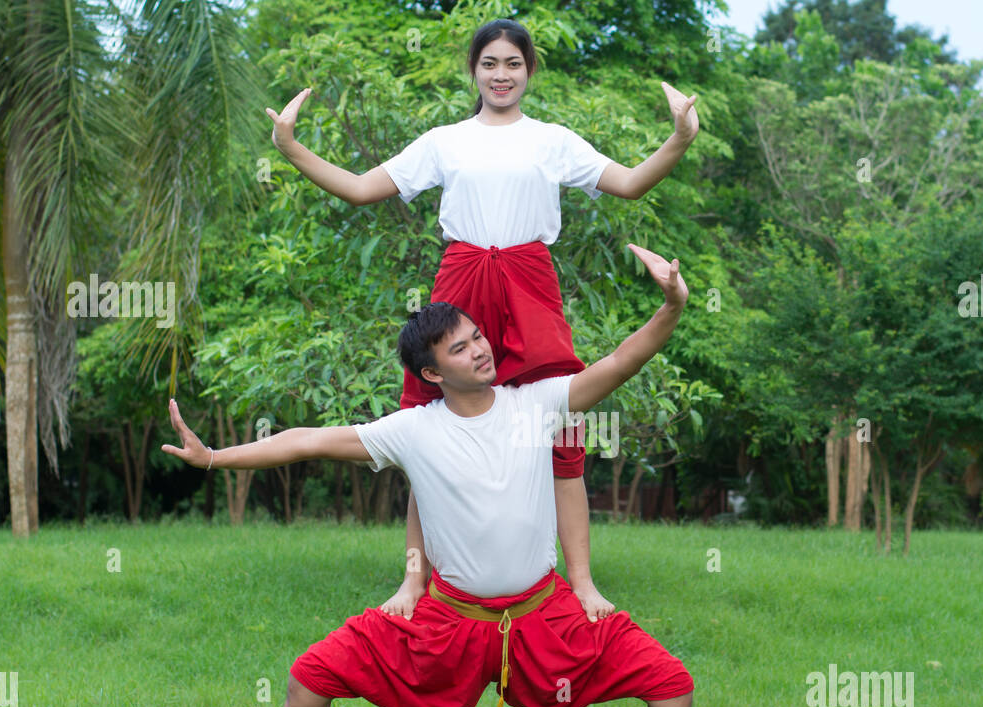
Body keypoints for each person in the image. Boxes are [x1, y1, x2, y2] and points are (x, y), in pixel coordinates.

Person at [161, 244, 703, 707]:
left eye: (477, 336)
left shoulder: (538, 406)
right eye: (461, 347)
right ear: (433, 374)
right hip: (448, 621)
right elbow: (305, 440)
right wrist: (212, 458)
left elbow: (623, 361)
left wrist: (672, 305)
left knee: (671, 683)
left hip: (544, 616)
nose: (481, 348)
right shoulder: (411, 431)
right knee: (309, 678)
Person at [265, 18, 701, 626]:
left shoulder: (552, 140)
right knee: (426, 429)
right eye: (490, 63)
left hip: (529, 285)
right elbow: (363, 189)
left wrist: (680, 137)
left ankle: (580, 580)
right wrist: (290, 147)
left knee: (563, 431)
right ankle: (415, 578)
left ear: (529, 71)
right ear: (474, 70)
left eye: (513, 63)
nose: (501, 74)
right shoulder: (446, 140)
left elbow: (628, 184)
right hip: (461, 284)